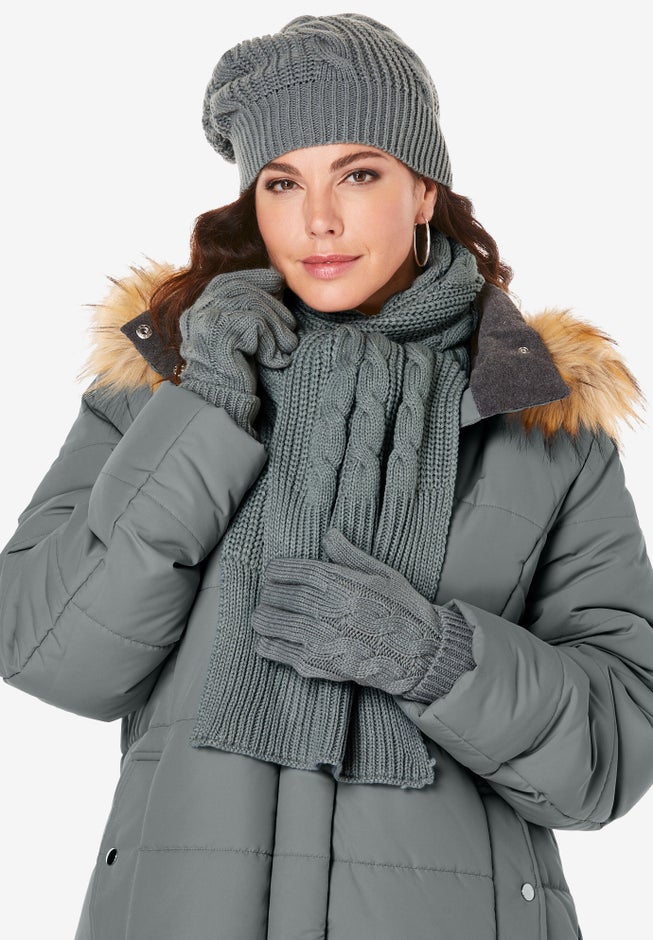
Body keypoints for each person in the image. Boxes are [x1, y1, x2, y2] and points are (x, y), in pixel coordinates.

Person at [1, 12, 652, 939]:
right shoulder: (157, 390)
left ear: (422, 190)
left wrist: (438, 660)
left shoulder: (541, 419)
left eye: (358, 173)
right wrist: (206, 408)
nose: (318, 220)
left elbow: (612, 754)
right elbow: (53, 658)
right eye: (282, 182)